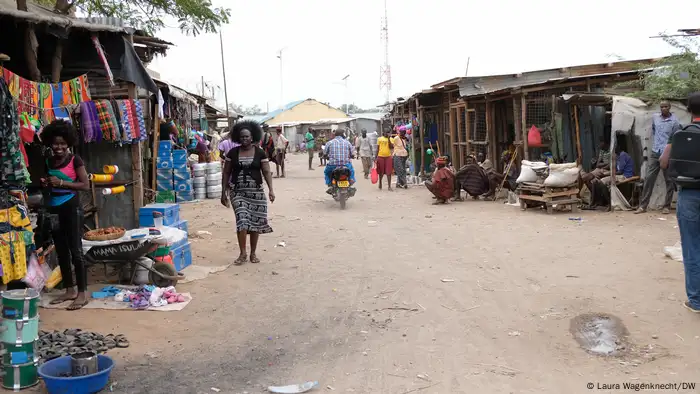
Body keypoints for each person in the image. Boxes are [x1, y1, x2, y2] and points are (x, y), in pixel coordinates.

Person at [40, 120, 90, 310]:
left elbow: (85, 185)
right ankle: (69, 290)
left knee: (76, 251)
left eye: (62, 143)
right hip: (54, 210)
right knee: (61, 250)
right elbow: (48, 184)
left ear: (68, 143)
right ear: (50, 144)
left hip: (72, 208)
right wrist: (46, 183)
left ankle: (82, 293)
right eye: (55, 143)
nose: (59, 147)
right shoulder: (48, 161)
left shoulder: (75, 160)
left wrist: (61, 183)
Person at [660, 93, 700, 312]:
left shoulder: (679, 134)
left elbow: (664, 163)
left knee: (692, 248)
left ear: (688, 109)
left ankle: (696, 302)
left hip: (689, 195)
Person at [221, 120, 275, 265]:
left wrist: (271, 190)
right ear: (238, 137)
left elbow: (266, 171)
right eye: (242, 137)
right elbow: (226, 173)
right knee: (242, 220)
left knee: (255, 223)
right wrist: (223, 192)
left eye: (247, 137)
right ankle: (242, 253)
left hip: (256, 193)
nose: (244, 139)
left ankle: (253, 253)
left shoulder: (260, 152)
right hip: (237, 192)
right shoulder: (232, 153)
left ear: (253, 137)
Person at [637, 101, 682, 214]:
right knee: (649, 178)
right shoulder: (655, 118)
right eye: (662, 107)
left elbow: (675, 138)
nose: (664, 109)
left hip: (667, 154)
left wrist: (670, 152)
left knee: (669, 180)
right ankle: (643, 206)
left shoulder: (675, 121)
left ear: (669, 108)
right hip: (655, 152)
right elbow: (654, 130)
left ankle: (666, 206)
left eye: (666, 107)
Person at [323, 129, 356, 193]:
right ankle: (351, 180)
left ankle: (329, 183)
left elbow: (324, 153)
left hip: (333, 165)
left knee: (327, 172)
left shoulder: (329, 143)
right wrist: (352, 156)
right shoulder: (347, 142)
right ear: (343, 134)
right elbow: (352, 153)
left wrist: (325, 156)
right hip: (346, 165)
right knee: (351, 171)